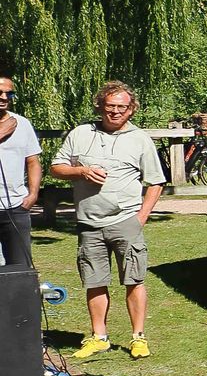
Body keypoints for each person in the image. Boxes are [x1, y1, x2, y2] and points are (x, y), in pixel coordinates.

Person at [50, 82, 165, 358]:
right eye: (110, 106)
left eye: (121, 107)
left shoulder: (140, 139)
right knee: (94, 281)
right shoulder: (80, 134)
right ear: (100, 106)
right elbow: (56, 167)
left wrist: (141, 217)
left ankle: (138, 338)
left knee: (134, 279)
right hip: (89, 223)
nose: (115, 112)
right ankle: (99, 337)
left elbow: (156, 182)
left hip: (126, 221)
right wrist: (81, 171)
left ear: (131, 109)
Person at [0, 75, 41, 267]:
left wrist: (33, 195)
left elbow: (33, 162)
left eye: (9, 94)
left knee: (20, 268)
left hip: (16, 207)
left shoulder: (22, 123)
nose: (4, 97)